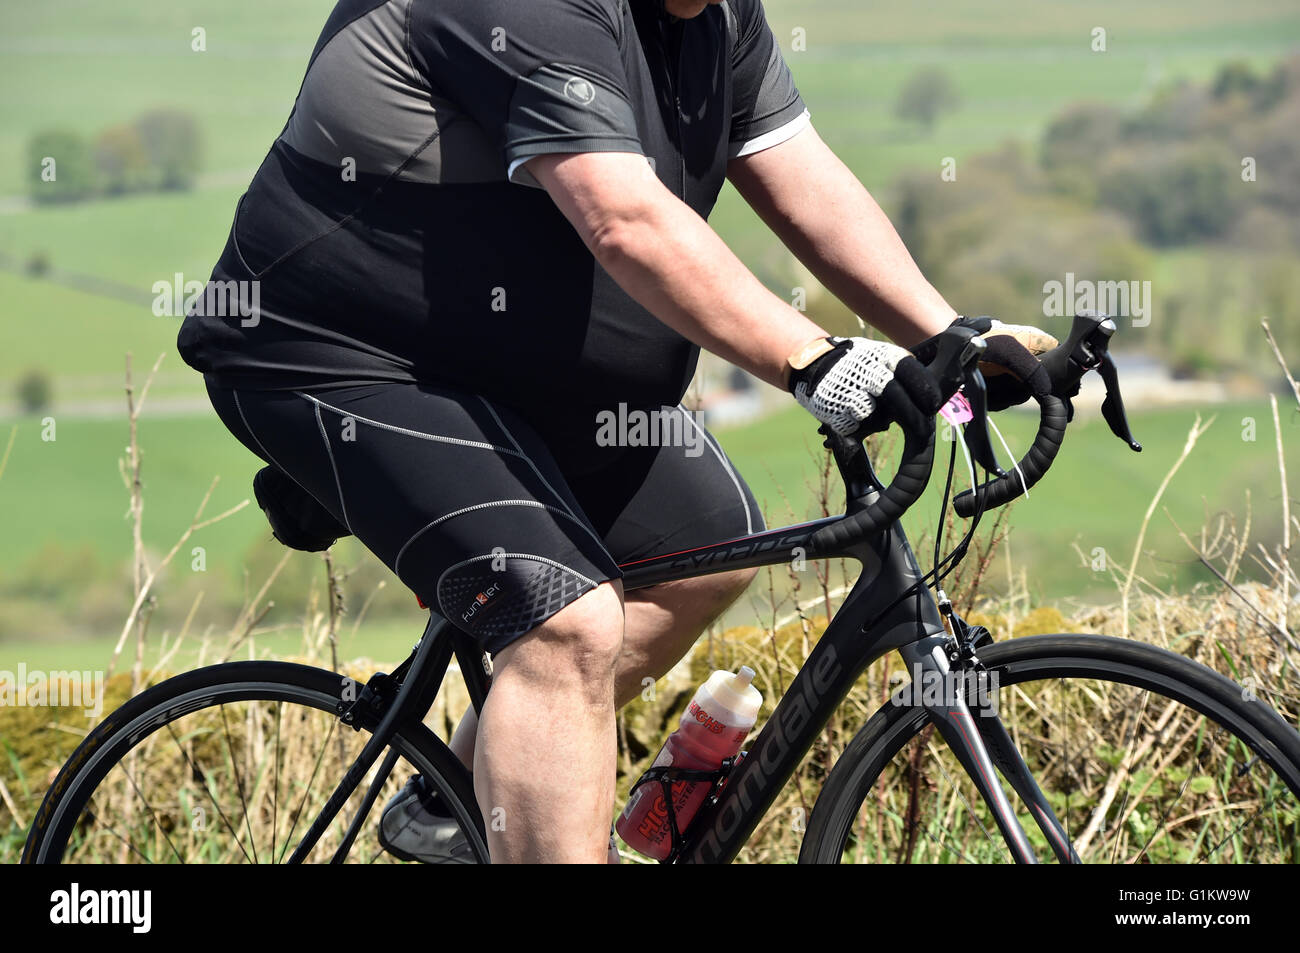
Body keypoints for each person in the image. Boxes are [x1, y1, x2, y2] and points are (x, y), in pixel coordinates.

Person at [176, 0, 1057, 864]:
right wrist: (813, 357)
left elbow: (803, 179)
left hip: (510, 369)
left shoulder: (714, 18)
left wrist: (955, 339)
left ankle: (457, 800)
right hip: (335, 359)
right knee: (567, 622)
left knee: (717, 545)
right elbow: (624, 219)